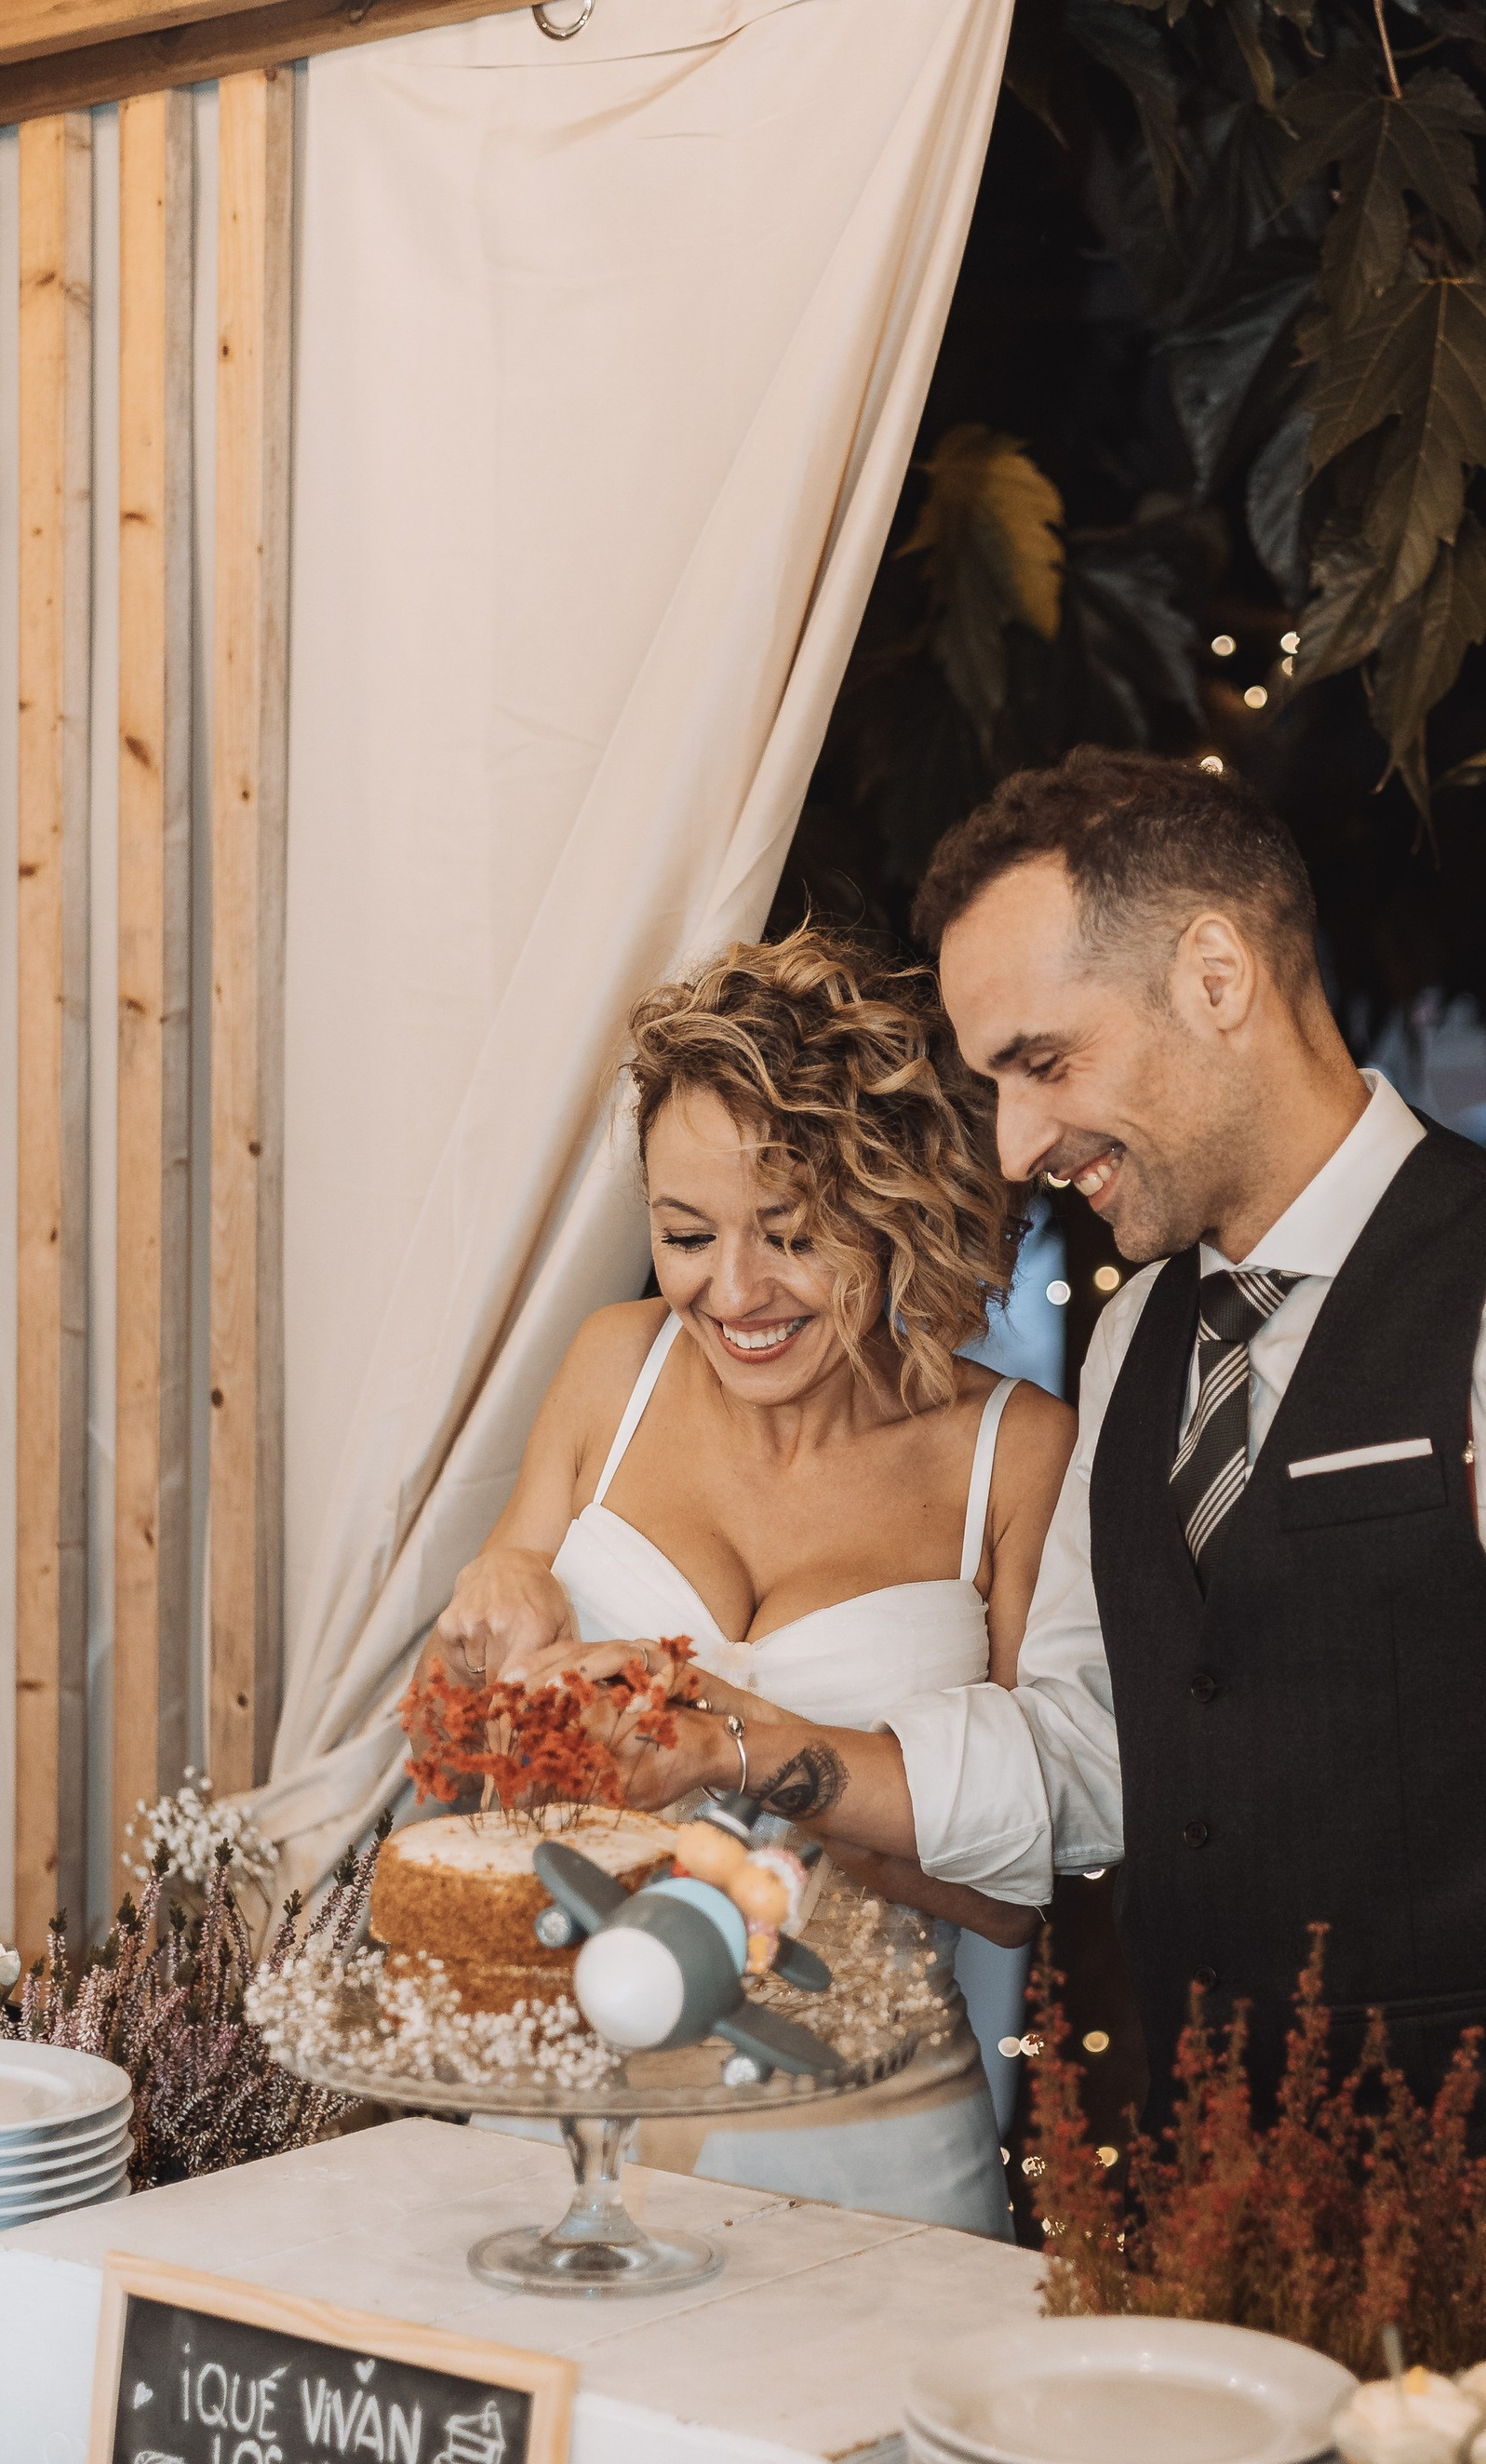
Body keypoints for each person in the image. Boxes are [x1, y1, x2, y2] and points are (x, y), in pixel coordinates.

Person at [566, 751, 1486, 2336]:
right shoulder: (1138, 1348)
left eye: (1043, 1062)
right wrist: (753, 1748)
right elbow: (1085, 1758)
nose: (1011, 1144)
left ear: (1215, 975)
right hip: (1197, 2233)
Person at [429, 924, 1074, 2240]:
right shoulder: (615, 1367)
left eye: (788, 1233)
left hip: (868, 2138)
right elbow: (465, 1764)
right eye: (685, 1235)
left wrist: (721, 1745)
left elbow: (1013, 1895)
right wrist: (491, 1613)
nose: (733, 1293)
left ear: (890, 1205)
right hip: (552, 2115)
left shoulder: (1016, 1458)